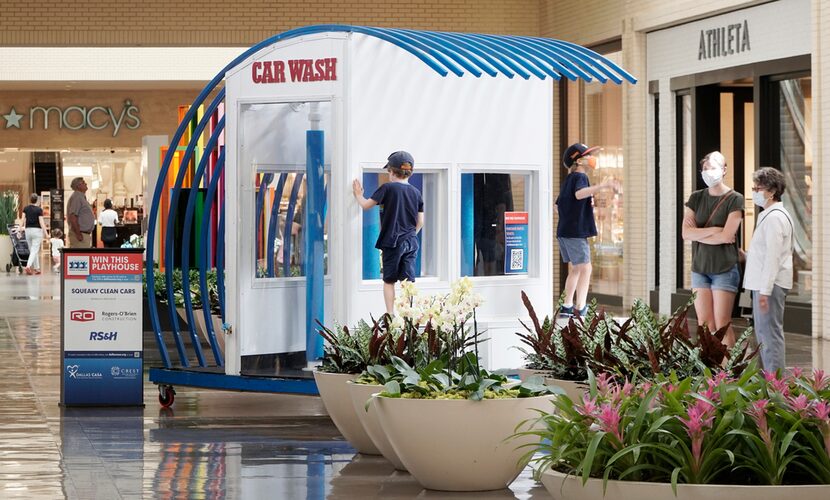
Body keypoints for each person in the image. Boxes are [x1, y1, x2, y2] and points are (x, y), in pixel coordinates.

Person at [682, 151, 744, 348]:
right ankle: (709, 371)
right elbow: (686, 233)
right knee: (704, 325)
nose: (709, 172)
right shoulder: (696, 198)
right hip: (700, 268)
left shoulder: (735, 199)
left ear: (724, 170)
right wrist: (714, 231)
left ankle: (729, 370)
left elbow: (727, 236)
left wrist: (699, 233)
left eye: (713, 168)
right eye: (705, 169)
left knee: (722, 324)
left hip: (724, 268)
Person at [352, 151, 424, 315]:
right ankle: (407, 316)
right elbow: (420, 222)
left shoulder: (387, 188)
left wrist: (358, 194)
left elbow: (365, 205)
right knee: (407, 282)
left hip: (392, 242)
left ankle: (390, 314)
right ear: (409, 172)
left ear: (391, 171)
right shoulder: (416, 192)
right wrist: (411, 234)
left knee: (389, 280)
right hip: (411, 241)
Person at [555, 143, 618, 317]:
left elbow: (556, 205)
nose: (592, 159)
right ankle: (581, 306)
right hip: (575, 232)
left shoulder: (568, 180)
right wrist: (602, 186)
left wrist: (572, 213)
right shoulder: (580, 178)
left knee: (576, 268)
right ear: (579, 160)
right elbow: (579, 194)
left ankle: (567, 305)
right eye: (588, 155)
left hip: (564, 231)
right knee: (586, 268)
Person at [743, 167, 793, 372]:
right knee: (763, 334)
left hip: (770, 287)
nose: (754, 192)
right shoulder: (769, 215)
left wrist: (764, 292)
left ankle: (776, 389)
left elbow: (773, 258)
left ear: (772, 191)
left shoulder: (774, 218)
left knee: (769, 335)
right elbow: (765, 253)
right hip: (765, 285)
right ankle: (769, 385)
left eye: (758, 188)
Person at [21, 193, 49, 275]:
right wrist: (46, 234)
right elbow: (41, 222)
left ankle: (37, 268)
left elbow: (22, 220)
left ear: (30, 199)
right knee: (34, 250)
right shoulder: (39, 210)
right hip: (37, 231)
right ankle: (28, 266)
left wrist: (19, 229)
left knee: (33, 250)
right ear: (37, 200)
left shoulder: (25, 208)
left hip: (28, 231)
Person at [66, 177, 94, 248]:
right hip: (80, 235)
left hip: (83, 234)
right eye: (83, 183)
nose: (86, 184)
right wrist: (78, 233)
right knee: (81, 258)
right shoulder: (77, 197)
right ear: (78, 186)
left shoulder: (81, 197)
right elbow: (73, 216)